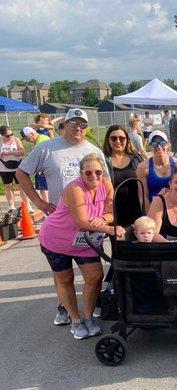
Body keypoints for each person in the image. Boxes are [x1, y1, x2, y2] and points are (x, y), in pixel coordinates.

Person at [16, 108, 108, 326]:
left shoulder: (93, 151)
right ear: (64, 125)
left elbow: (106, 185)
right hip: (60, 222)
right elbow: (21, 172)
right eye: (73, 123)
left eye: (82, 125)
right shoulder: (46, 148)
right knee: (63, 274)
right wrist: (38, 202)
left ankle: (89, 306)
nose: (78, 128)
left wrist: (106, 216)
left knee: (93, 275)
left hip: (88, 224)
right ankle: (64, 306)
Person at [38, 153, 125, 340]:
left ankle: (88, 317)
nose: (94, 176)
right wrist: (108, 229)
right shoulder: (74, 189)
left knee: (95, 277)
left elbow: (111, 213)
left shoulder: (107, 185)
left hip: (85, 242)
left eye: (98, 172)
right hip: (56, 240)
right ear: (81, 174)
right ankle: (76, 321)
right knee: (65, 278)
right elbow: (82, 223)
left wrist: (103, 218)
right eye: (88, 173)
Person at [102, 124, 144, 227]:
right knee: (118, 243)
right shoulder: (103, 161)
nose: (118, 141)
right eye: (113, 138)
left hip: (137, 210)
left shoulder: (136, 158)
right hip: (114, 212)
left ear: (127, 140)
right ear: (108, 140)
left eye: (122, 138)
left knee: (138, 242)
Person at [136, 130, 177, 212]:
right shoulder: (143, 168)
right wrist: (150, 217)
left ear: (168, 144)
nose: (159, 147)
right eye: (154, 144)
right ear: (150, 146)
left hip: (175, 210)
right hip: (154, 210)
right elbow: (144, 197)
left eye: (162, 143)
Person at [0, 125, 27, 210]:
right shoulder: (0, 141)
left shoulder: (16, 139)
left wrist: (9, 153)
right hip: (4, 167)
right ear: (2, 135)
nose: (10, 136)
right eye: (7, 135)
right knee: (8, 187)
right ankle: (11, 206)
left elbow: (22, 152)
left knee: (22, 187)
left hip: (17, 167)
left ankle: (27, 206)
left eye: (11, 134)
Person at [22, 126, 50, 204]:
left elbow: (40, 156)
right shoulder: (43, 137)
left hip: (43, 168)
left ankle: (48, 209)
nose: (28, 141)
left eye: (27, 138)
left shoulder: (41, 141)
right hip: (46, 167)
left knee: (43, 189)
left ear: (31, 134)